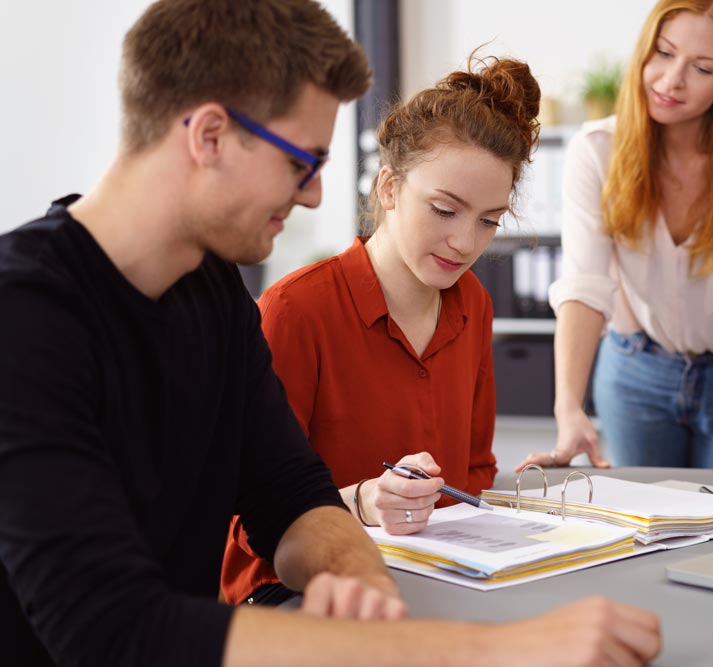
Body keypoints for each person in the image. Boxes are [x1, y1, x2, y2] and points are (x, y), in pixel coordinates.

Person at [0, 1, 661, 665]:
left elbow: (289, 497)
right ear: (209, 136)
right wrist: (476, 648)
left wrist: (364, 582)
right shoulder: (24, 313)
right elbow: (108, 628)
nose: (315, 196)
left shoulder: (214, 293)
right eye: (301, 163)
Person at [220, 55, 532, 607]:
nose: (464, 243)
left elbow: (475, 474)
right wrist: (363, 501)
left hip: (435, 580)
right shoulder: (296, 309)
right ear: (389, 187)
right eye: (443, 209)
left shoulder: (473, 305)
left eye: (488, 220)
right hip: (293, 590)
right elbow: (247, 518)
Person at [517, 0, 713, 477]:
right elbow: (584, 286)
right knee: (640, 533)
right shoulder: (596, 151)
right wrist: (568, 406)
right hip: (635, 372)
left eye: (702, 68)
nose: (670, 81)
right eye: (663, 54)